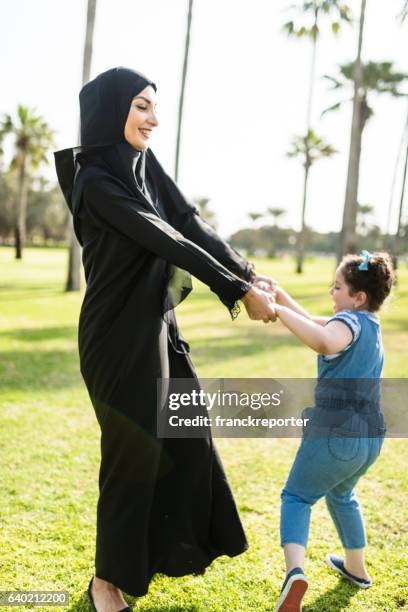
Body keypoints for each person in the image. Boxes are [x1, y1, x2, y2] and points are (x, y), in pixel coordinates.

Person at [54, 67, 276, 612]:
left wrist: (245, 274)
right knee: (134, 452)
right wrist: (235, 290)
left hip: (156, 327)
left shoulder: (143, 166)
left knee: (186, 432)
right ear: (111, 110)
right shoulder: (97, 181)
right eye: (141, 106)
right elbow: (164, 236)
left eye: (154, 107)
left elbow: (188, 220)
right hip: (116, 337)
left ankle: (146, 559)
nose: (154, 118)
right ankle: (105, 584)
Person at [269, 250, 393, 611]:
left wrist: (275, 310)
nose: (331, 292)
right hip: (370, 435)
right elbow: (312, 321)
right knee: (342, 496)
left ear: (358, 297)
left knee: (297, 497)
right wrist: (279, 296)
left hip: (336, 432)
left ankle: (295, 572)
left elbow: (323, 340)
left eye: (337, 287)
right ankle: (357, 568)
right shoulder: (366, 323)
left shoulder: (347, 324)